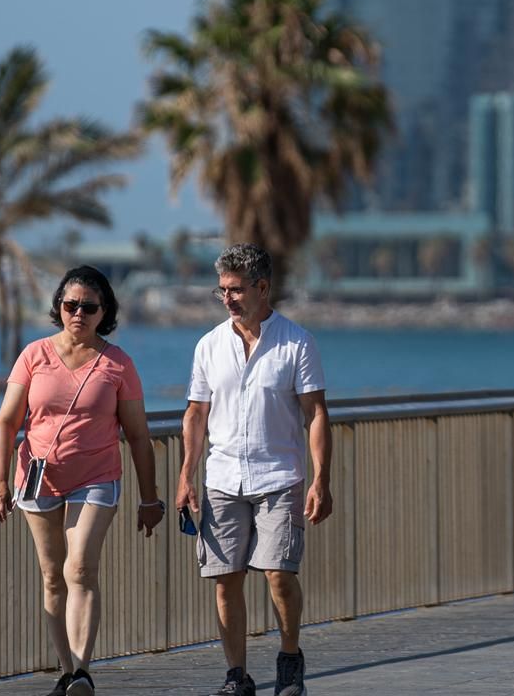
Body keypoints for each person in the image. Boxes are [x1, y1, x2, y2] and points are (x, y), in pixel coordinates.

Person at [0, 266, 162, 696]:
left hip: (97, 477)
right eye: (70, 305)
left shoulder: (117, 363)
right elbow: (7, 422)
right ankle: (67, 672)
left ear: (105, 311)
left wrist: (149, 497)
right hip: (38, 476)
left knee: (79, 565)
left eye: (88, 306)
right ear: (58, 308)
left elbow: (138, 435)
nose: (78, 313)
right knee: (52, 576)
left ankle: (83, 670)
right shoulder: (34, 355)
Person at [176, 244, 332, 696]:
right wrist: (187, 474)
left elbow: (315, 413)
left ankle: (289, 658)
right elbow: (195, 415)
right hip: (222, 478)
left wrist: (321, 478)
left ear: (262, 288)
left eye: (237, 289)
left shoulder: (296, 342)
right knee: (225, 581)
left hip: (279, 477)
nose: (228, 298)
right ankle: (236, 675)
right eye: (222, 289)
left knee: (279, 574)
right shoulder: (208, 345)